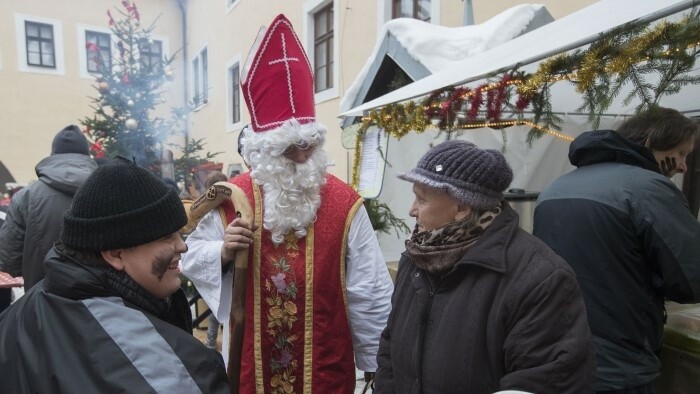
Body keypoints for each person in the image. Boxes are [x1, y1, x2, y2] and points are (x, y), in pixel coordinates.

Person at [181, 14, 394, 393]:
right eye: (288, 149)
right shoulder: (232, 200)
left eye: (308, 146)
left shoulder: (345, 205)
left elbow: (370, 288)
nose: (300, 158)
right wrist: (223, 251)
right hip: (251, 365)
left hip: (325, 366)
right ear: (265, 150)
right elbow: (190, 255)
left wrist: (377, 364)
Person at [375, 140, 596, 393]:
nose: (412, 210)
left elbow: (544, 380)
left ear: (462, 207)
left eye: (421, 199)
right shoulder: (416, 258)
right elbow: (390, 350)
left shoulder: (541, 278)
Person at [0, 156, 229, 393]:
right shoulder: (179, 372)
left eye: (179, 234)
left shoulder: (18, 316)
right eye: (166, 237)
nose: (182, 246)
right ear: (115, 255)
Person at [533, 106, 700, 393]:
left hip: (554, 351)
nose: (684, 165)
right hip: (619, 362)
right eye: (682, 153)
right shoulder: (650, 188)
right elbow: (690, 280)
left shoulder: (553, 189)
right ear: (652, 144)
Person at [0, 125, 98, 290]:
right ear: (86, 155)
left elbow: (9, 261)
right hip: (100, 304)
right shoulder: (106, 192)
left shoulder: (26, 197)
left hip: (42, 300)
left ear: (53, 154)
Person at [202, 170, 229, 351]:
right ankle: (211, 340)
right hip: (220, 262)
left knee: (219, 306)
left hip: (224, 263)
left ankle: (211, 340)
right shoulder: (211, 210)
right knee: (218, 306)